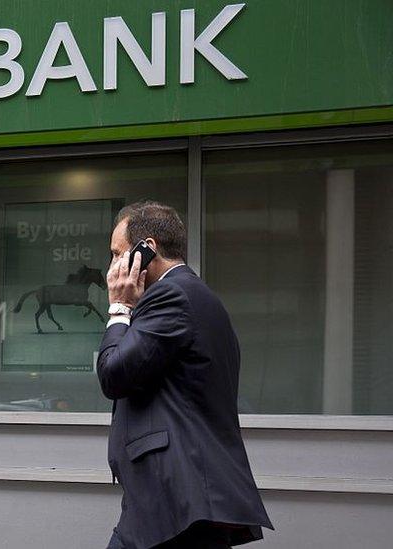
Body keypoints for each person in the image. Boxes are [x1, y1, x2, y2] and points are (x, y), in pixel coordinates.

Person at [98, 201, 272, 549]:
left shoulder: (172, 295)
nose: (113, 267)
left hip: (177, 498)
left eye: (118, 254)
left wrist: (119, 309)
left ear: (145, 251)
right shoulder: (191, 295)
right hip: (170, 501)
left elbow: (114, 374)